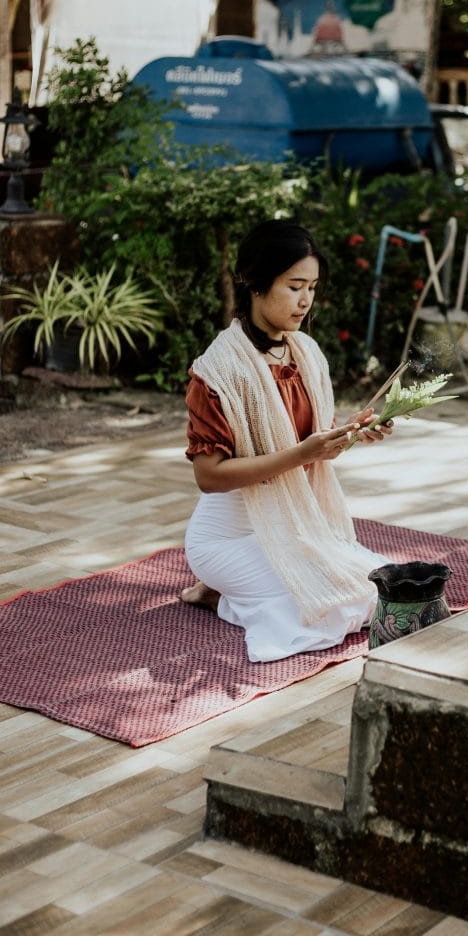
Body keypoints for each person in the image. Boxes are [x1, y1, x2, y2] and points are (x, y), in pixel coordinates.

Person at [182, 219, 393, 662]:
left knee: (381, 586)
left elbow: (314, 444)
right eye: (294, 286)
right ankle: (218, 594)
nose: (305, 301)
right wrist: (303, 453)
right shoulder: (218, 369)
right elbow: (209, 477)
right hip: (226, 537)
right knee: (324, 612)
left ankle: (232, 594)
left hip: (291, 523)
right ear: (253, 282)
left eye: (312, 288)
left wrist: (354, 432)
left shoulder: (306, 353)